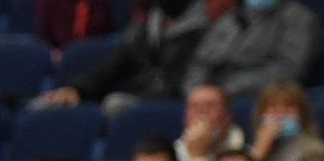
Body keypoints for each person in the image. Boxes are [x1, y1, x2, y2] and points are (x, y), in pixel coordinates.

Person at [36, 0, 210, 116]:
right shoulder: (145, 27)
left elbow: (186, 84)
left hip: (173, 106)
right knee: (42, 106)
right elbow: (110, 68)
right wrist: (76, 90)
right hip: (138, 99)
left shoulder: (208, 31)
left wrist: (138, 100)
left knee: (115, 105)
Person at [181, 0, 321, 102]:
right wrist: (195, 90)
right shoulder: (229, 18)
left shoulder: (299, 18)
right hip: (214, 94)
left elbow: (289, 69)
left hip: (258, 96)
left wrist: (227, 89)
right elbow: (200, 62)